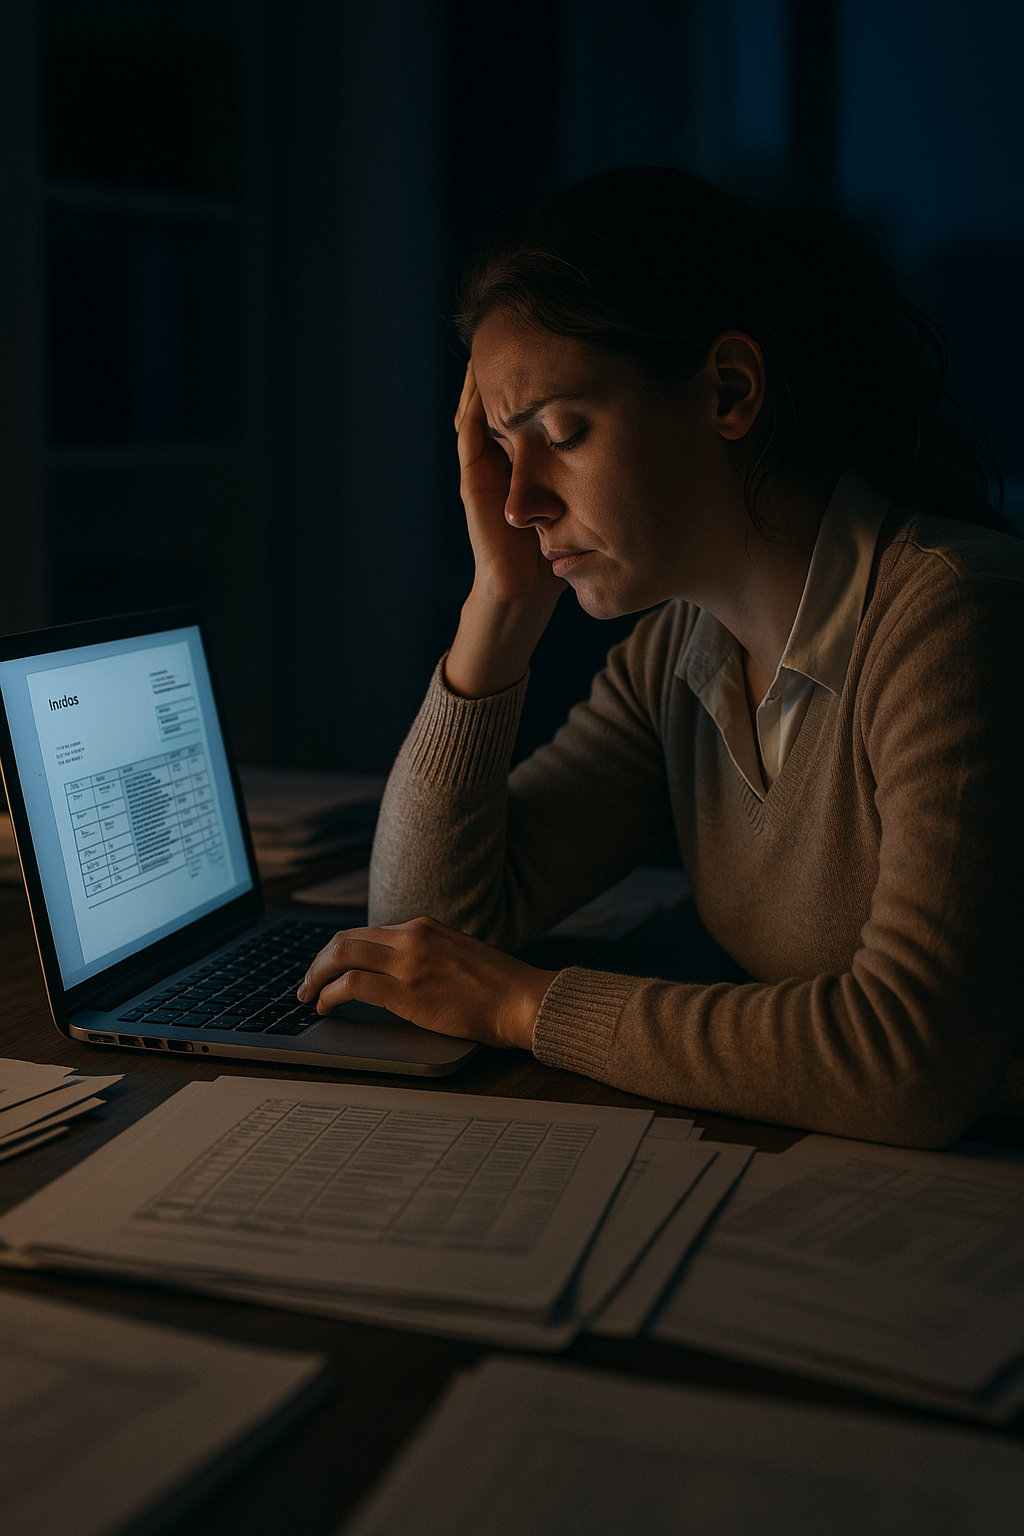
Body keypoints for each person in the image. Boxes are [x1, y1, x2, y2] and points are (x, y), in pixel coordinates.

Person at [297, 167, 1024, 1146]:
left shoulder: (952, 618)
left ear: (728, 390)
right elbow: (427, 929)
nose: (518, 502)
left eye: (559, 433)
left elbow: (906, 1062)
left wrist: (525, 1007)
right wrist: (500, 602)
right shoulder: (679, 656)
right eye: (503, 450)